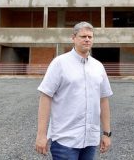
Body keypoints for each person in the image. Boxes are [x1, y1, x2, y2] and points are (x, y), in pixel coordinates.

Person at [35, 21, 113, 159]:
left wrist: (107, 133)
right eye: (83, 36)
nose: (87, 39)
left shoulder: (98, 67)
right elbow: (46, 96)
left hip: (90, 140)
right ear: (73, 38)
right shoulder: (60, 63)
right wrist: (41, 135)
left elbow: (103, 100)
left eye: (90, 36)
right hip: (65, 141)